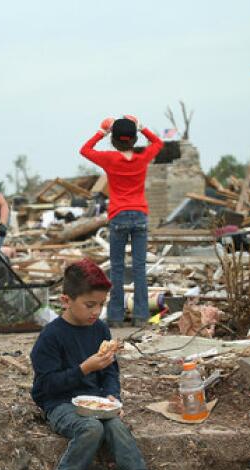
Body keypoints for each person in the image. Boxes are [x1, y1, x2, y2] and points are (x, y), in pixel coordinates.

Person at [30, 259, 172, 470]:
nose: (96, 311)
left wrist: (111, 396)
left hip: (95, 401)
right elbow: (45, 387)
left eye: (101, 304)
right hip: (59, 402)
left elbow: (109, 371)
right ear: (66, 300)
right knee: (91, 429)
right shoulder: (51, 336)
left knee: (116, 426)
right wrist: (84, 369)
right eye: (89, 305)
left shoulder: (100, 329)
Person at [80, 115, 163, 327]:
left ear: (114, 141)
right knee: (139, 268)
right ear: (134, 140)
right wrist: (143, 127)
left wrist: (102, 131)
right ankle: (141, 316)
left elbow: (85, 150)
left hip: (118, 215)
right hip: (140, 215)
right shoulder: (143, 155)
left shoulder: (109, 158)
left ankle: (115, 317)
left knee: (116, 268)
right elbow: (158, 143)